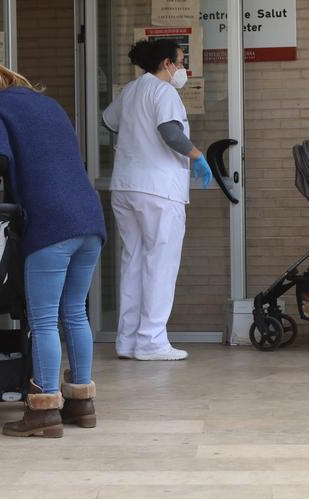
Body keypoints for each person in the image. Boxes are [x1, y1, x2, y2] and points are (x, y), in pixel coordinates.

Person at [0, 57, 107, 438]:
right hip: (89, 218)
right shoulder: (48, 103)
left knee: (42, 321)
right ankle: (82, 403)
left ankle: (43, 410)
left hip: (50, 222)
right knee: (74, 312)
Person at [102, 38, 213, 362]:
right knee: (160, 265)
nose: (181, 69)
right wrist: (198, 155)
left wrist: (136, 140)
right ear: (167, 63)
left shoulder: (131, 90)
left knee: (134, 262)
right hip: (157, 189)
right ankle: (151, 341)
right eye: (179, 62)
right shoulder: (164, 92)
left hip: (126, 186)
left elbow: (107, 121)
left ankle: (128, 340)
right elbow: (170, 132)